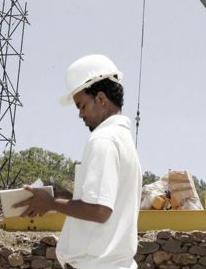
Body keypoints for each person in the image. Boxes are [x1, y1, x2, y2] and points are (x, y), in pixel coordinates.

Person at [13, 54, 142, 269]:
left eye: (81, 106)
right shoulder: (122, 139)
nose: (80, 115)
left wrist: (51, 203)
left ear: (101, 99)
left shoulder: (103, 139)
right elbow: (104, 207)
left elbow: (101, 211)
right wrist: (68, 197)